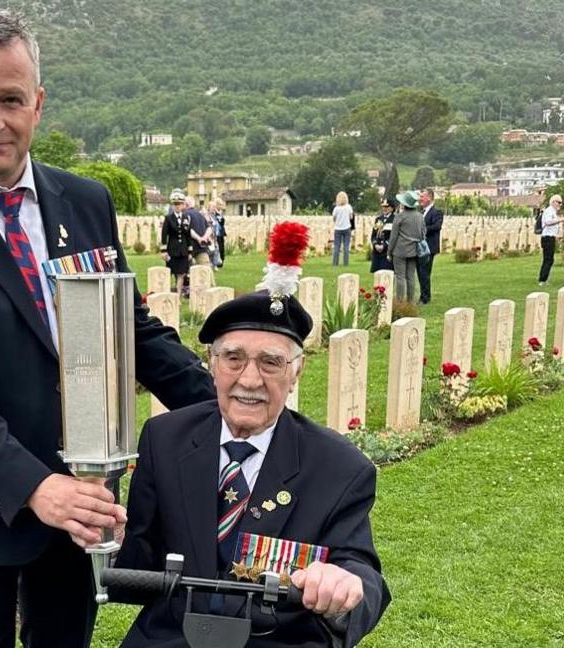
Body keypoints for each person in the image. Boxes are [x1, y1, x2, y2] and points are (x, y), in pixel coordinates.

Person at [0, 10, 217, 648]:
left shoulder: (84, 200)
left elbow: (129, 330)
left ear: (39, 104)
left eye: (11, 99)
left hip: (80, 501)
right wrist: (35, 487)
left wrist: (228, 414)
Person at [114, 290, 390, 647]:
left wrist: (346, 584)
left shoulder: (339, 467)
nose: (249, 380)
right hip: (171, 638)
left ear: (296, 372)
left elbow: (361, 571)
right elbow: (142, 563)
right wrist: (115, 539)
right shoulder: (164, 439)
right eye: (233, 358)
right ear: (212, 365)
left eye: (270, 363)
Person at [387, 190, 425, 303]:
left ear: (403, 203)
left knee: (400, 277)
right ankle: (410, 302)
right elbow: (423, 233)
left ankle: (400, 302)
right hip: (414, 250)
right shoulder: (420, 217)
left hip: (400, 250)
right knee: (411, 277)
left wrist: (389, 252)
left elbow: (393, 237)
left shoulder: (399, 217)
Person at [160, 189, 194, 294]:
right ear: (172, 206)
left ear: (183, 205)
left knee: (181, 274)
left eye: (179, 204)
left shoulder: (186, 218)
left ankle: (178, 295)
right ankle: (167, 293)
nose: (177, 206)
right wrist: (164, 251)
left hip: (183, 250)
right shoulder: (168, 218)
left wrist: (190, 251)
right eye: (175, 204)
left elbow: (188, 235)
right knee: (170, 272)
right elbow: (164, 235)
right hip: (172, 250)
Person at [417, 188, 443, 304]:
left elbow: (437, 227)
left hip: (429, 247)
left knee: (425, 272)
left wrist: (421, 230)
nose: (420, 199)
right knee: (420, 272)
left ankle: (425, 298)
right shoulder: (421, 212)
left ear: (429, 198)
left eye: (422, 197)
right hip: (419, 246)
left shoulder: (436, 212)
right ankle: (423, 295)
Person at [538, 194, 564, 285]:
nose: (560, 205)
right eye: (559, 202)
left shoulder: (553, 211)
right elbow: (548, 222)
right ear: (553, 202)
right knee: (548, 259)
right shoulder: (549, 211)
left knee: (549, 259)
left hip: (551, 237)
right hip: (547, 237)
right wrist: (561, 220)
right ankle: (543, 279)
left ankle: (544, 278)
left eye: (561, 203)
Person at [370, 197, 396, 273]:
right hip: (377, 253)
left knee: (386, 276)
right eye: (383, 206)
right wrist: (375, 244)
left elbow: (394, 237)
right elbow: (373, 235)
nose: (384, 208)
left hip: (387, 252)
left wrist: (384, 245)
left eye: (386, 207)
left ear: (392, 208)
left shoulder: (395, 219)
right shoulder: (378, 219)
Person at [331, 191, 354, 266]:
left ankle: (335, 263)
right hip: (347, 227)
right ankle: (345, 263)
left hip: (338, 228)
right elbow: (351, 217)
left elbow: (334, 218)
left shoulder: (336, 208)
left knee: (337, 246)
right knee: (346, 246)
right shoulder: (348, 207)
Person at [209, 197, 227, 268]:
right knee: (217, 248)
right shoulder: (214, 214)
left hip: (221, 233)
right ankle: (217, 262)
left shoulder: (221, 213)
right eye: (219, 204)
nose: (221, 206)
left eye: (221, 205)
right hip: (216, 234)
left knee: (222, 248)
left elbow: (222, 222)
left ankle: (222, 261)